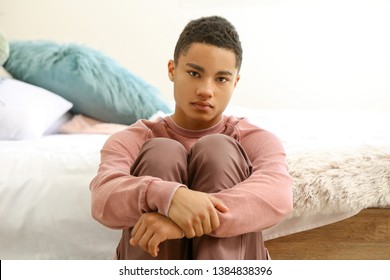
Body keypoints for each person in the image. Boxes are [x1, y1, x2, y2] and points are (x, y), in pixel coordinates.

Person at [90, 15, 293, 260]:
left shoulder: (254, 138)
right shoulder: (133, 138)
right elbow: (102, 198)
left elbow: (278, 196)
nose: (206, 90)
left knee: (218, 149)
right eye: (195, 73)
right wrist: (170, 197)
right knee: (162, 152)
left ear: (234, 83)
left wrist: (181, 222)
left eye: (221, 79)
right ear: (172, 70)